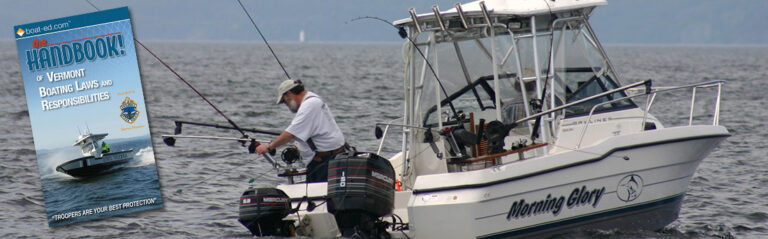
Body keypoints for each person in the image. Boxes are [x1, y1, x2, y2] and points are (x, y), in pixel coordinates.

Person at [256, 79, 346, 182]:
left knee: (321, 194)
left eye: (284, 101)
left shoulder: (310, 104)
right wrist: (296, 147)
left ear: (289, 94)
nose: (286, 105)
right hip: (320, 159)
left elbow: (290, 134)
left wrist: (268, 147)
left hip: (327, 160)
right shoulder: (310, 101)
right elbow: (311, 131)